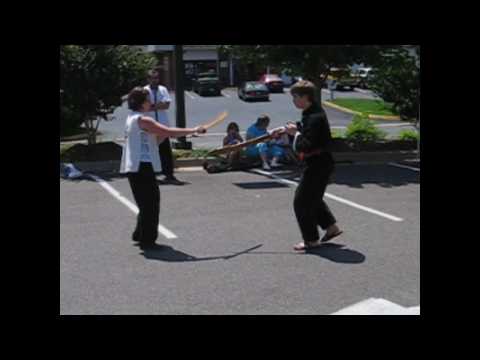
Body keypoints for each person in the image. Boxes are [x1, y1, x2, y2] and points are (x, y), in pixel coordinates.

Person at [120, 87, 206, 249]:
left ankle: (139, 234)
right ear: (142, 102)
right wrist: (193, 130)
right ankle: (147, 240)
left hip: (136, 166)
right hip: (141, 166)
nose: (151, 102)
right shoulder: (143, 120)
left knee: (145, 203)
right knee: (150, 203)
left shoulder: (132, 118)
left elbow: (156, 138)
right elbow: (167, 131)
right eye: (148, 100)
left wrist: (178, 133)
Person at [279, 80, 343, 251]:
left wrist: (295, 134)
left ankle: (311, 240)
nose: (293, 101)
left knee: (301, 202)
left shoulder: (314, 116)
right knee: (312, 198)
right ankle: (331, 228)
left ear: (305, 97)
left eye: (295, 97)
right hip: (320, 163)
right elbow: (307, 130)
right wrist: (292, 128)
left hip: (318, 163)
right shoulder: (311, 112)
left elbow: (307, 144)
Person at [144, 69, 181, 185]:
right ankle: (151, 176)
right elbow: (145, 107)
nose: (155, 80)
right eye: (152, 78)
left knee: (165, 151)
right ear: (148, 79)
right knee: (151, 152)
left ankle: (169, 175)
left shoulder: (162, 89)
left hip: (162, 126)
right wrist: (157, 105)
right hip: (150, 126)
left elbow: (166, 105)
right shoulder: (145, 91)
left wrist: (153, 106)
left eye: (156, 78)